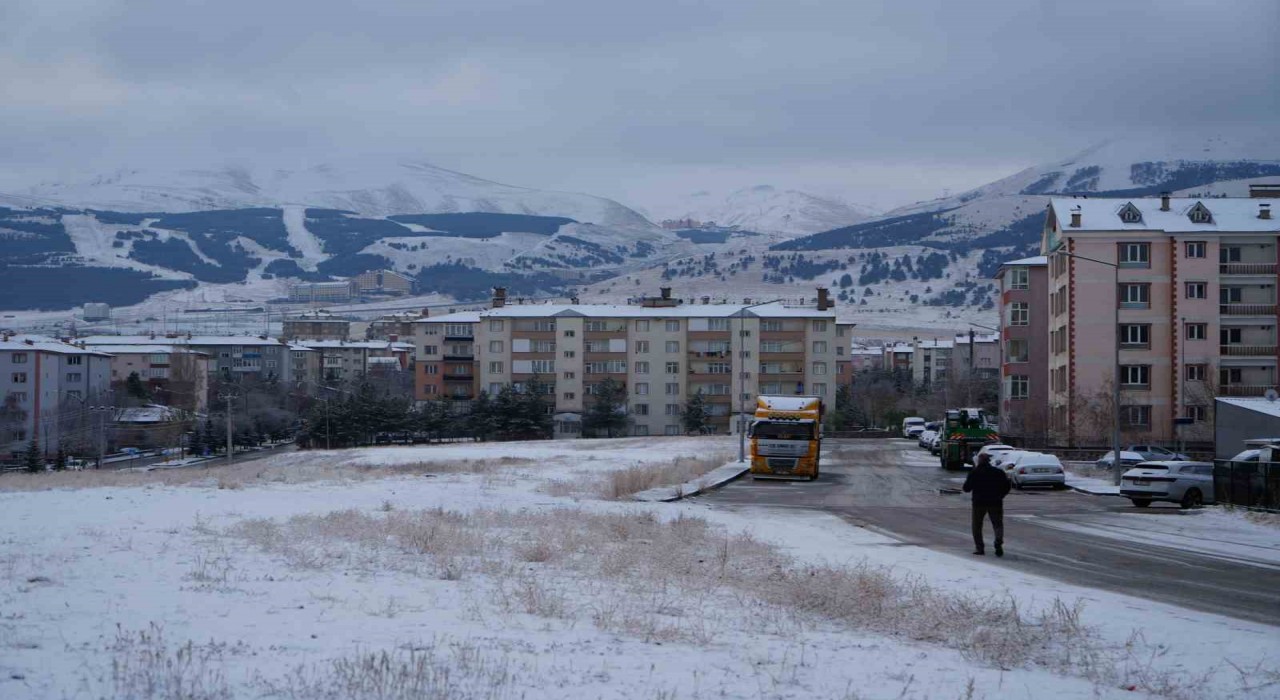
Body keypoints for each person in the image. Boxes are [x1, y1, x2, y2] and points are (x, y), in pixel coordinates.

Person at [962, 452, 1011, 556]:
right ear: (989, 461)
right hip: (995, 502)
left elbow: (966, 488)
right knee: (997, 524)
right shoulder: (998, 472)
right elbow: (1007, 486)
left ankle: (980, 548)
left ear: (979, 461)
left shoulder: (975, 472)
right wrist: (1001, 495)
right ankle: (998, 541)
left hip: (979, 502)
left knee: (977, 525)